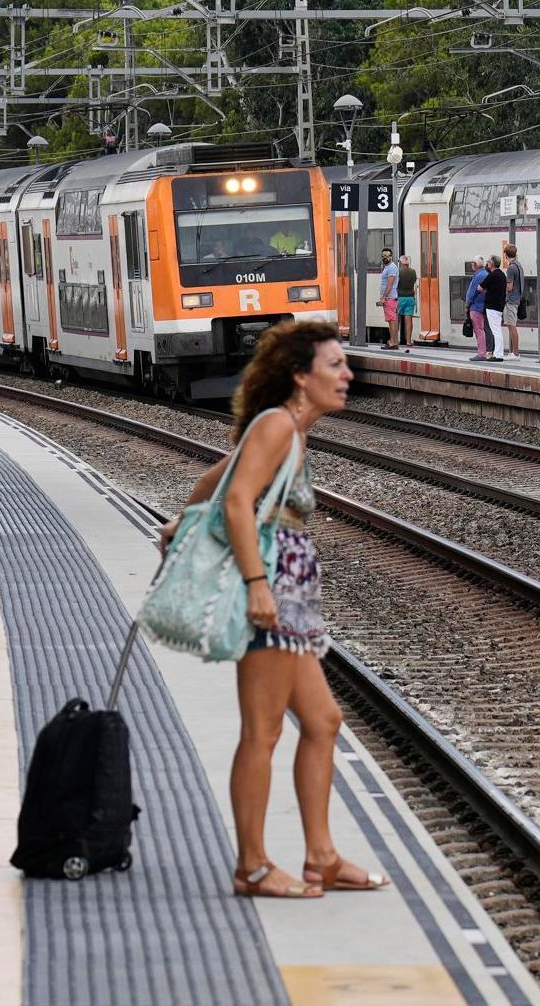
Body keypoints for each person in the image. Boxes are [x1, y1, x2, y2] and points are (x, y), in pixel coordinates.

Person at [158, 320, 387, 900]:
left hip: (291, 597)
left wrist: (180, 521)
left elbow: (219, 479)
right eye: (335, 365)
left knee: (323, 721)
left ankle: (321, 857)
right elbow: (237, 498)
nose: (348, 375)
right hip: (272, 594)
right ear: (300, 376)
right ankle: (253, 866)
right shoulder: (278, 425)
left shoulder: (286, 430)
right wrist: (258, 584)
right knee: (261, 733)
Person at [499, 244, 524, 360]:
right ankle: (514, 352)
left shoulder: (511, 268)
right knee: (511, 325)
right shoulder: (519, 265)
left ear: (505, 255)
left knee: (511, 326)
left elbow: (509, 287)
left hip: (511, 300)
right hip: (517, 298)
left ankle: (515, 353)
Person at [481, 256, 508, 362]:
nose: (487, 264)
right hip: (499, 306)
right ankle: (498, 353)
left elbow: (480, 287)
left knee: (495, 330)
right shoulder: (502, 275)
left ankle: (498, 354)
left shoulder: (492, 275)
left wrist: (486, 290)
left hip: (492, 306)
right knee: (497, 330)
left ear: (492, 264)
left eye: (488, 262)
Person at [465, 255, 491, 362]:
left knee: (479, 330)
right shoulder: (485, 273)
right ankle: (486, 351)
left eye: (472, 263)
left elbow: (472, 291)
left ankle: (481, 353)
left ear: (475, 265)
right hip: (484, 305)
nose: (471, 265)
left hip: (476, 306)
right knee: (484, 329)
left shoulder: (479, 275)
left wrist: (467, 304)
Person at [378, 248, 401, 350]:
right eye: (383, 256)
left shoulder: (391, 268)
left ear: (391, 256)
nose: (385, 258)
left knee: (392, 320)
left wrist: (383, 297)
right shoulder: (387, 267)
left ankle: (393, 342)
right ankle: (394, 341)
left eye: (387, 256)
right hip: (390, 297)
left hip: (390, 297)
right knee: (392, 320)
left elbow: (390, 285)